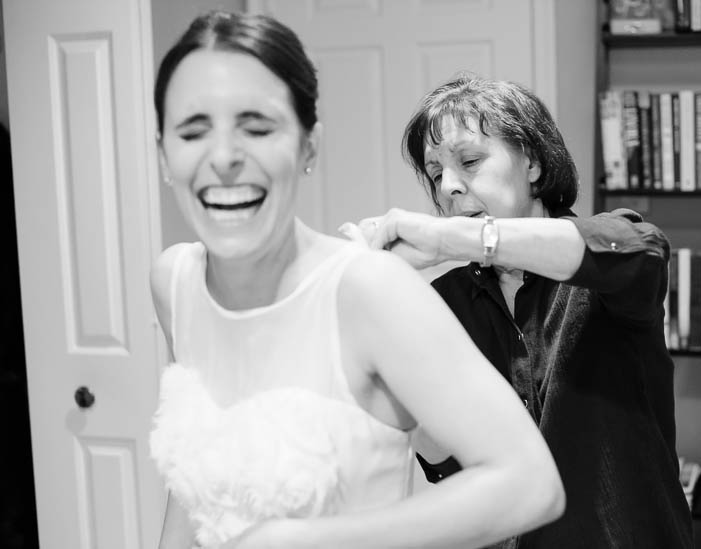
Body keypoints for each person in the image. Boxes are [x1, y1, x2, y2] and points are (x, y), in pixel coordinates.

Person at [148, 12, 564, 549]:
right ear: (164, 153)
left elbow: (528, 484)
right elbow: (191, 490)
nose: (224, 158)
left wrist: (299, 541)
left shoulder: (372, 289)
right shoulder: (173, 282)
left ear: (308, 146)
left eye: (257, 127)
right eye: (193, 130)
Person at [345, 75, 694, 548]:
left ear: (531, 162)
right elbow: (455, 470)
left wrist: (448, 238)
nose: (447, 186)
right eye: (434, 173)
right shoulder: (442, 304)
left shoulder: (609, 251)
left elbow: (640, 251)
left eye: (469, 160)